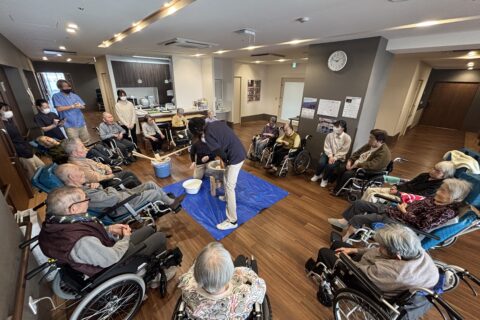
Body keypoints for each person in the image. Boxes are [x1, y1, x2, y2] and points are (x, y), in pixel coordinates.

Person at [38, 186, 176, 283]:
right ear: (74, 208)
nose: (88, 200)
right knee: (159, 237)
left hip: (98, 254)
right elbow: (112, 257)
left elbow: (85, 232)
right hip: (110, 266)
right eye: (84, 198)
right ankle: (155, 277)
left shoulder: (54, 224)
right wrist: (126, 237)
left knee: (150, 230)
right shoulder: (81, 241)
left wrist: (108, 229)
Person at [305, 224, 439, 317]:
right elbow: (378, 252)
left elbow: (358, 272)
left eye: (382, 247)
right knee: (337, 245)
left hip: (366, 282)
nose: (379, 248)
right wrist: (354, 250)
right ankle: (326, 262)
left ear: (397, 256)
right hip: (378, 273)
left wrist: (345, 260)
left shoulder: (395, 272)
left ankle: (317, 268)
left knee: (324, 252)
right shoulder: (417, 251)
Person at [328, 178, 472, 241]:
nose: (439, 191)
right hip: (394, 211)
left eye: (443, 191)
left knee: (359, 218)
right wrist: (404, 206)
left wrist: (404, 211)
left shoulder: (447, 211)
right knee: (359, 203)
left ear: (454, 197)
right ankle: (344, 222)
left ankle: (345, 239)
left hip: (400, 222)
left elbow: (424, 226)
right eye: (441, 188)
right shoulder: (434, 199)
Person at [55, 164, 185, 217]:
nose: (82, 172)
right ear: (71, 177)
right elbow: (112, 198)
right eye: (79, 171)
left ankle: (168, 201)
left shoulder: (82, 187)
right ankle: (171, 203)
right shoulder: (82, 194)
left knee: (150, 184)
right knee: (154, 192)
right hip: (121, 205)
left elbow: (105, 195)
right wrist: (107, 188)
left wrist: (99, 186)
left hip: (121, 197)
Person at [179, 242, 266, 319]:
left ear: (196, 275)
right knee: (241, 260)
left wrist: (197, 266)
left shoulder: (188, 288)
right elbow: (260, 286)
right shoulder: (245, 292)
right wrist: (242, 271)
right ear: (231, 272)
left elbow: (187, 276)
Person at [188, 117, 246, 230]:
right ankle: (225, 197)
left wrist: (227, 161)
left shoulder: (208, 135)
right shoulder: (216, 123)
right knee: (226, 177)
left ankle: (232, 221)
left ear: (196, 130)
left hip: (235, 157)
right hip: (239, 150)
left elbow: (219, 152)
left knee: (230, 187)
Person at [362, 161, 456, 203]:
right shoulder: (424, 175)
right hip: (399, 191)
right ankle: (360, 211)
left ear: (444, 175)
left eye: (437, 171)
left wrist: (398, 193)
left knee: (372, 196)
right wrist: (396, 186)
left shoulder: (439, 185)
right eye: (434, 168)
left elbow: (419, 197)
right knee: (370, 189)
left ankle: (362, 218)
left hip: (406, 199)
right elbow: (409, 183)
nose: (433, 171)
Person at [332, 129, 391, 194]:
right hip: (357, 164)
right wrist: (350, 161)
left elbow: (372, 165)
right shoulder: (369, 145)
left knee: (347, 174)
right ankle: (338, 187)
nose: (369, 139)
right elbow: (356, 153)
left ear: (380, 141)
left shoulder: (384, 153)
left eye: (371, 138)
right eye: (370, 137)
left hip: (367, 170)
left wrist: (357, 165)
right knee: (341, 168)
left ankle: (339, 190)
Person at [64, 138, 141, 188]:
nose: (86, 149)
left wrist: (107, 168)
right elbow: (96, 178)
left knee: (129, 174)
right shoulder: (78, 165)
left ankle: (141, 192)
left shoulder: (81, 158)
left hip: (105, 175)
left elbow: (98, 164)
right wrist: (111, 175)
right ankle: (141, 195)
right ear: (74, 152)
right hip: (104, 183)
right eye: (82, 147)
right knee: (130, 178)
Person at [1, 102, 45, 179]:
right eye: (5, 110)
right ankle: (38, 188)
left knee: (42, 166)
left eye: (8, 109)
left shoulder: (10, 121)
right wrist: (23, 152)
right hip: (20, 152)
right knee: (33, 172)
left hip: (25, 148)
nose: (8, 111)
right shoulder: (2, 126)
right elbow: (10, 142)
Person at [311, 120, 351, 188]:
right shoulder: (329, 135)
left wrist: (334, 158)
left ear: (343, 129)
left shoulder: (347, 138)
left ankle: (325, 179)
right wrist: (330, 156)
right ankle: (317, 175)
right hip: (328, 154)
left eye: (337, 126)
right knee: (321, 163)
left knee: (330, 166)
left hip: (339, 157)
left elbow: (344, 151)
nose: (335, 127)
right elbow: (327, 147)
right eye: (335, 126)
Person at [51, 79, 90, 144]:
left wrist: (80, 106)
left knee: (86, 141)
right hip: (69, 123)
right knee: (75, 143)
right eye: (65, 86)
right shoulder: (56, 96)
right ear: (60, 87)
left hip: (80, 121)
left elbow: (83, 106)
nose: (68, 88)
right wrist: (72, 106)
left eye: (69, 86)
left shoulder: (74, 95)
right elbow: (59, 109)